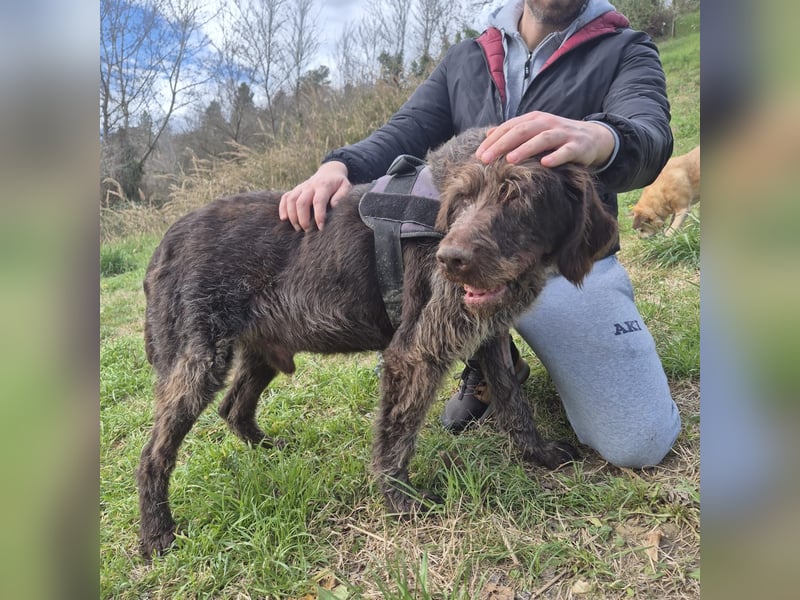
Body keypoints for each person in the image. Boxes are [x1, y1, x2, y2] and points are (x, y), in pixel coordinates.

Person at [279, 0, 681, 468]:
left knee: (639, 441)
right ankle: (490, 358)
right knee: (429, 333)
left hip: (565, 264)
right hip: (470, 260)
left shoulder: (625, 49)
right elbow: (405, 129)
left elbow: (651, 134)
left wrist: (602, 138)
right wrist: (339, 164)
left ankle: (511, 349)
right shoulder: (466, 58)